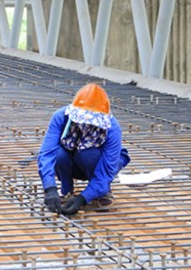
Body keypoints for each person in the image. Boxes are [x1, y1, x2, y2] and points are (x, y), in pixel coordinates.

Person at [37, 83, 130, 216]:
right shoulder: (60, 117)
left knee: (88, 154)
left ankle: (102, 190)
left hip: (95, 163)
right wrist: (50, 188)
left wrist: (83, 198)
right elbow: (47, 154)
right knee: (58, 154)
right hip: (71, 160)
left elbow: (108, 167)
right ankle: (67, 189)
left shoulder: (112, 128)